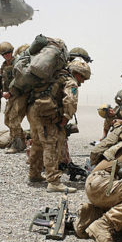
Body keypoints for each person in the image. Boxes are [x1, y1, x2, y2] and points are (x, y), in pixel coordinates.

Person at [26, 58, 90, 193]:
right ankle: (53, 181)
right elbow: (70, 100)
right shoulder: (70, 82)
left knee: (37, 143)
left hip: (35, 112)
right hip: (48, 117)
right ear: (77, 73)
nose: (82, 81)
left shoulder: (56, 75)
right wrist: (66, 117)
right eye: (83, 77)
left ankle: (35, 174)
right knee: (52, 145)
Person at [0, 41, 27, 154]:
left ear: (12, 52)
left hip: (21, 94)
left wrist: (11, 92)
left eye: (8, 53)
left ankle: (18, 144)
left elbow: (21, 80)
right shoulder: (4, 66)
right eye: (4, 54)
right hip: (11, 96)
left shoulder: (18, 63)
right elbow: (4, 81)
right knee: (7, 120)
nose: (7, 55)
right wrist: (2, 91)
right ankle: (18, 140)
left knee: (14, 119)